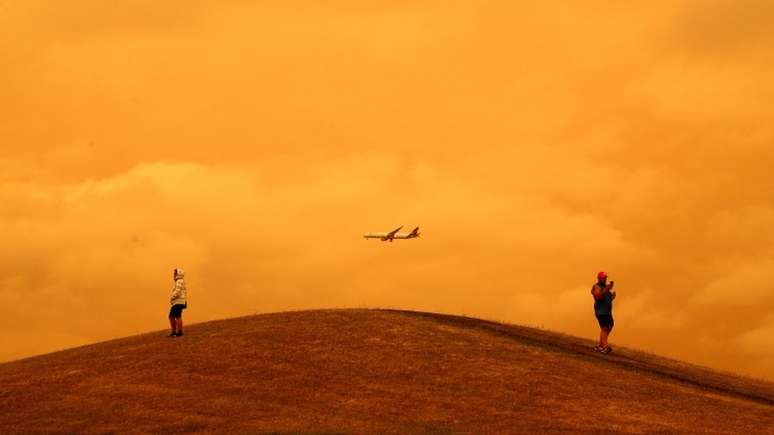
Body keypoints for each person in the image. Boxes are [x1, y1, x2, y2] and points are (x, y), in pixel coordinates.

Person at [591, 271, 615, 353]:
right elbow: (598, 296)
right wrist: (606, 289)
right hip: (601, 311)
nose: (605, 279)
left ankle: (600, 345)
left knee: (610, 326)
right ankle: (605, 347)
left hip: (607, 311)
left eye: (605, 278)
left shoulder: (605, 287)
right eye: (603, 278)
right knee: (604, 328)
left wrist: (612, 297)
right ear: (599, 278)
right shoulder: (596, 286)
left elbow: (606, 298)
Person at [168, 268, 187, 337]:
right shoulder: (180, 281)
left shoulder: (179, 281)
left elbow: (177, 291)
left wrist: (172, 297)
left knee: (172, 316)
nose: (174, 275)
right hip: (180, 301)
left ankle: (176, 331)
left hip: (178, 301)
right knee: (177, 316)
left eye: (175, 273)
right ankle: (177, 331)